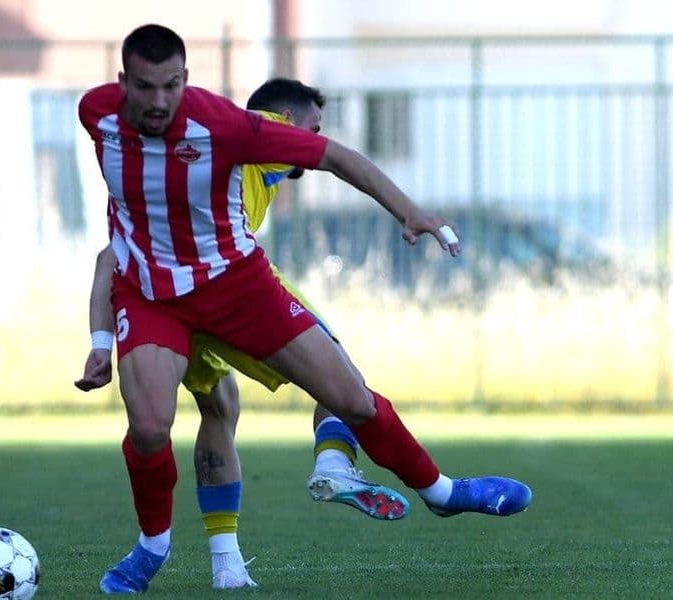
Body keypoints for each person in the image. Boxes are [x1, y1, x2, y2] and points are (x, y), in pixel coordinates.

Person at [77, 24, 532, 595]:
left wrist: (408, 211)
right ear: (124, 83)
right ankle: (152, 546)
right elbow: (111, 251)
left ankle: (441, 492)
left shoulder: (228, 127)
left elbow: (333, 156)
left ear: (185, 80)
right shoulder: (96, 114)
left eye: (171, 86)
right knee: (149, 427)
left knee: (350, 397)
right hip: (151, 298)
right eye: (146, 87)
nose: (159, 101)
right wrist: (100, 341)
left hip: (237, 289)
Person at [77, 78, 412, 589]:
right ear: (284, 119)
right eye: (311, 126)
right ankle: (333, 463)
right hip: (227, 288)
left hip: (172, 297)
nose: (310, 139)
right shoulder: (262, 135)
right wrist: (408, 210)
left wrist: (101, 344)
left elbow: (111, 256)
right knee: (340, 374)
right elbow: (331, 156)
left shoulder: (193, 162)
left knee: (218, 406)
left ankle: (225, 565)